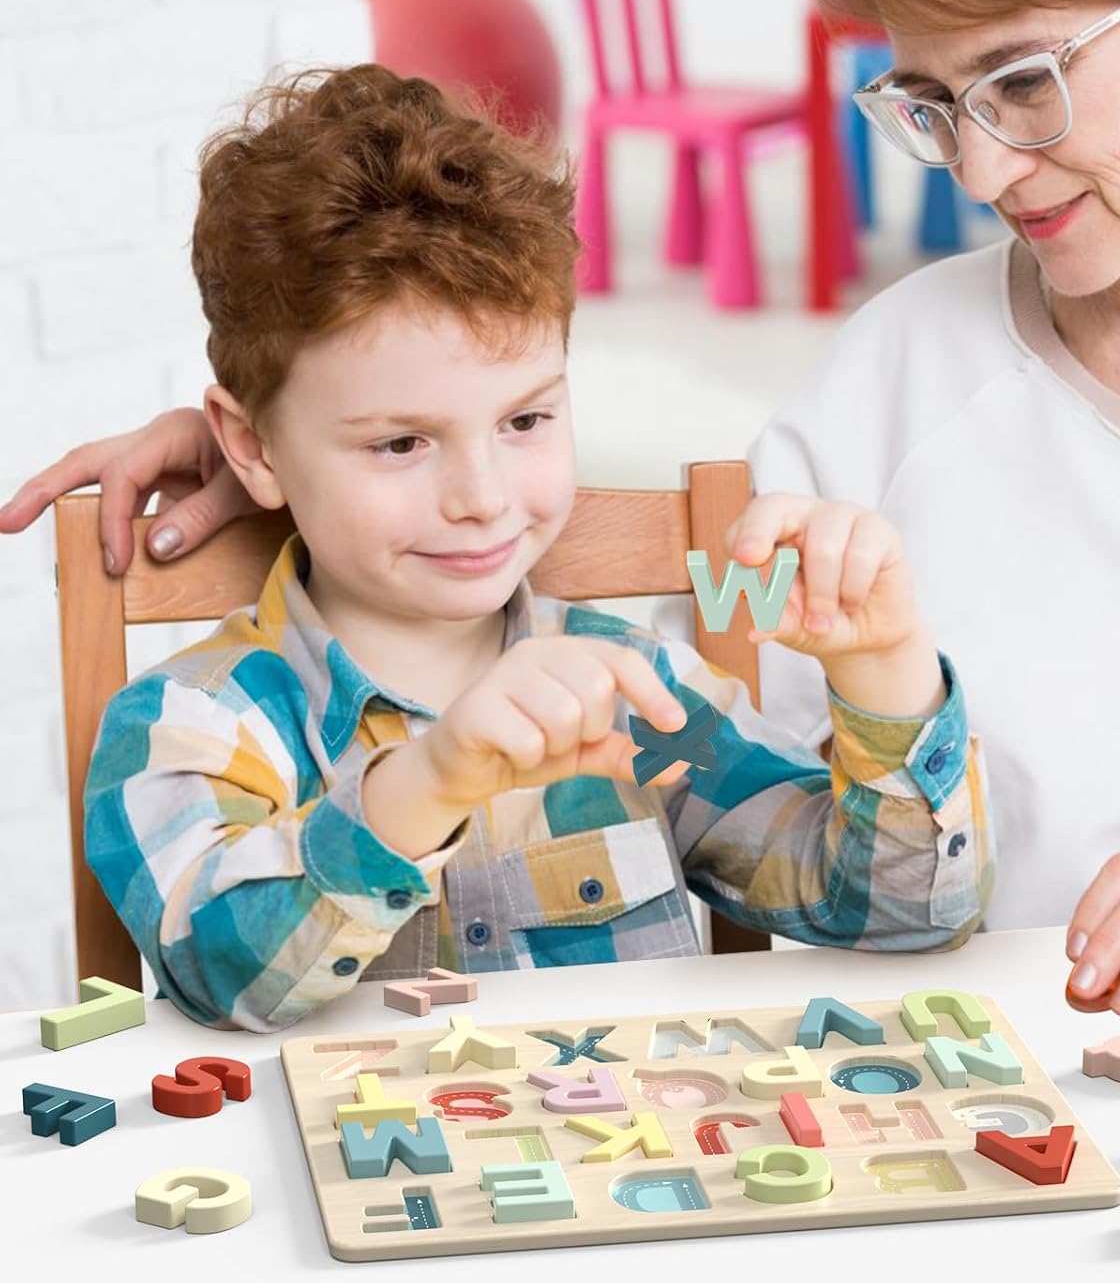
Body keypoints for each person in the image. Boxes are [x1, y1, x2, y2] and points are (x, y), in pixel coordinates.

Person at [6, 0, 1120, 1028]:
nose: (972, 174)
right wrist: (293, 449)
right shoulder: (905, 366)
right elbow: (689, 607)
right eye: (929, 103)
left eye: (1022, 84)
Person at [43, 64, 991, 1033]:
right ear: (250, 446)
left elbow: (905, 915)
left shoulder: (643, 697)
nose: (484, 498)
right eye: (401, 443)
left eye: (527, 419)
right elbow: (224, 972)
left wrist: (885, 675)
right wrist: (428, 782)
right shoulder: (195, 723)